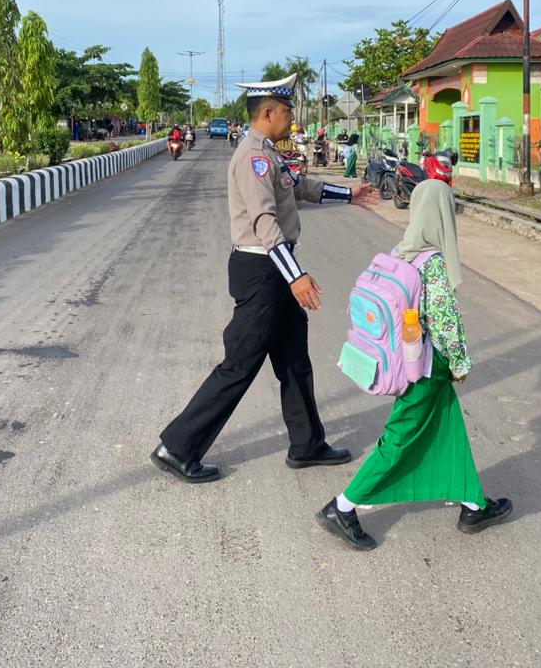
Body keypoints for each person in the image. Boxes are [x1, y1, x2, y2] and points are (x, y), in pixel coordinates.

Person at [153, 73, 380, 483]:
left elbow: (301, 188)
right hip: (263, 271)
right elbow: (264, 222)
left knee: (294, 360)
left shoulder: (270, 154)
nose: (293, 117)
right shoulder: (253, 157)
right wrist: (296, 277)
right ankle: (178, 446)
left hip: (274, 269)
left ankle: (307, 444)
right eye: (289, 111)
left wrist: (350, 194)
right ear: (269, 113)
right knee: (239, 364)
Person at [317, 179, 512, 551]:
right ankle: (342, 507)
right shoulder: (433, 263)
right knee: (400, 437)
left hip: (404, 362)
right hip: (427, 366)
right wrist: (459, 361)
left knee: (448, 427)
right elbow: (445, 322)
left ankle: (474, 504)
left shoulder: (400, 252)